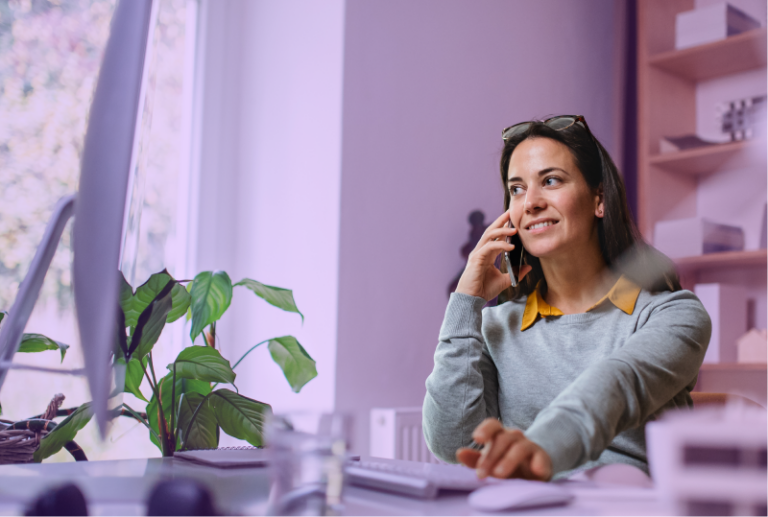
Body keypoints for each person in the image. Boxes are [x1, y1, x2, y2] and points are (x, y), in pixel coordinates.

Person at [422, 115, 711, 481]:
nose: (531, 202)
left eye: (551, 181)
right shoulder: (495, 327)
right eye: (516, 189)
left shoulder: (674, 315)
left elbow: (618, 383)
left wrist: (540, 448)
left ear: (599, 199)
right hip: (529, 504)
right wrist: (466, 301)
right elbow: (452, 444)